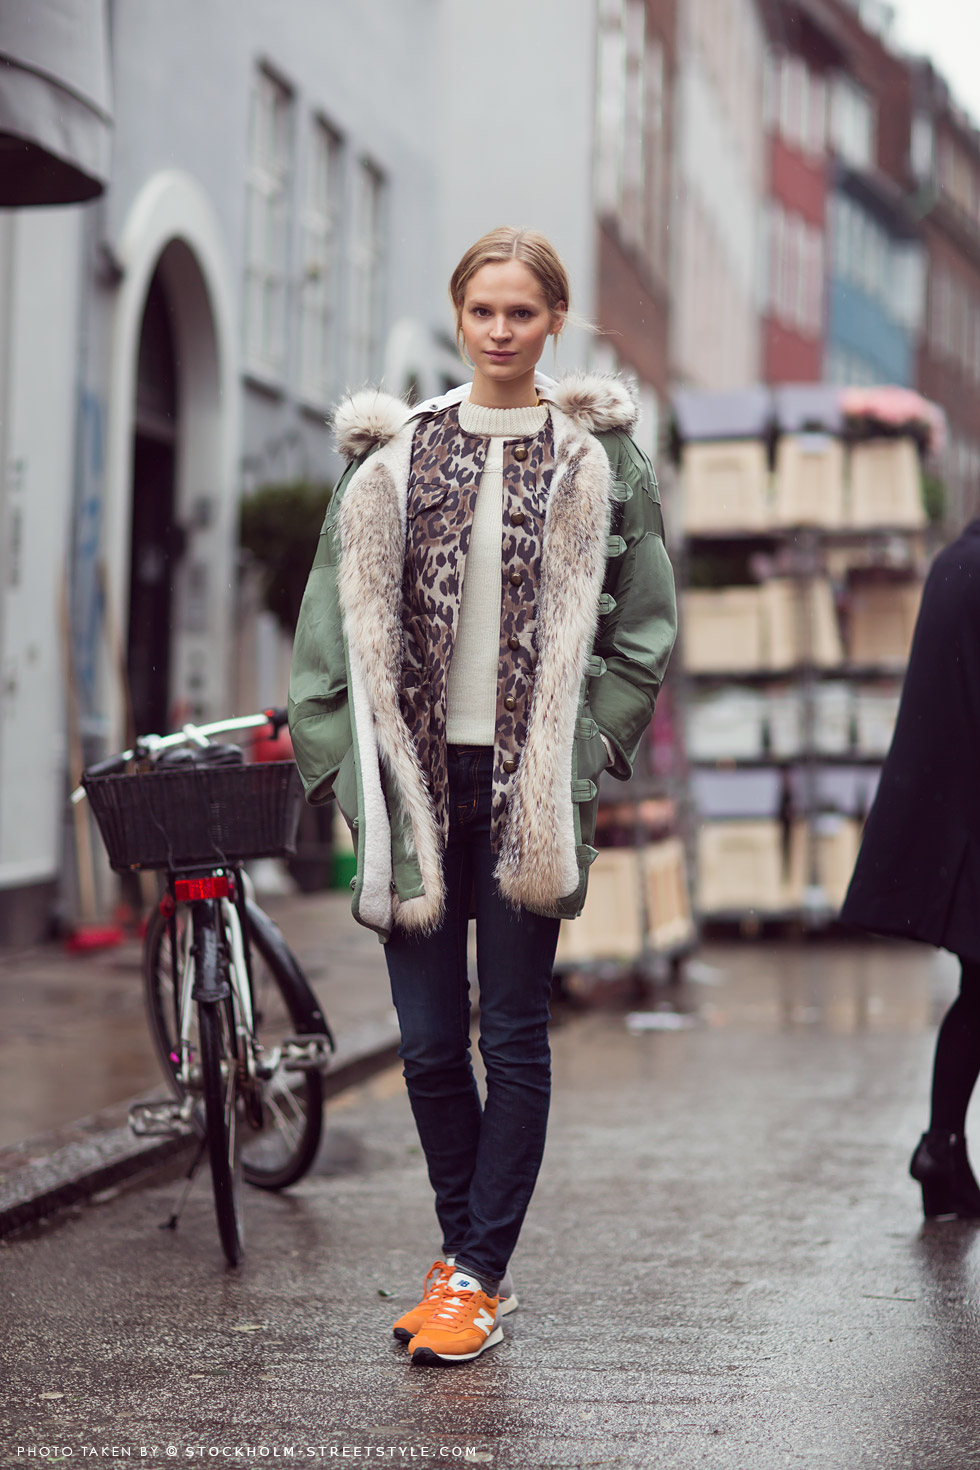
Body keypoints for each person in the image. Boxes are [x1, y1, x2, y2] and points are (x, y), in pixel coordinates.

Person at [288, 226, 676, 1363]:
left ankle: (476, 1273)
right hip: (415, 784)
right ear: (458, 317)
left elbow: (644, 628)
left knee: (509, 1034)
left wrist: (586, 751)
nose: (501, 331)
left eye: (522, 312)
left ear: (553, 321)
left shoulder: (598, 459)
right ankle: (465, 1257)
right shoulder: (394, 454)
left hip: (526, 788)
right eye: (482, 311)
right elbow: (325, 633)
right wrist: (343, 771)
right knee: (423, 1044)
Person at [841, 516, 980, 1219]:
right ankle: (940, 1148)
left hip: (957, 818)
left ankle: (941, 1149)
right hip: (969, 817)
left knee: (979, 989)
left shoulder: (956, 562)